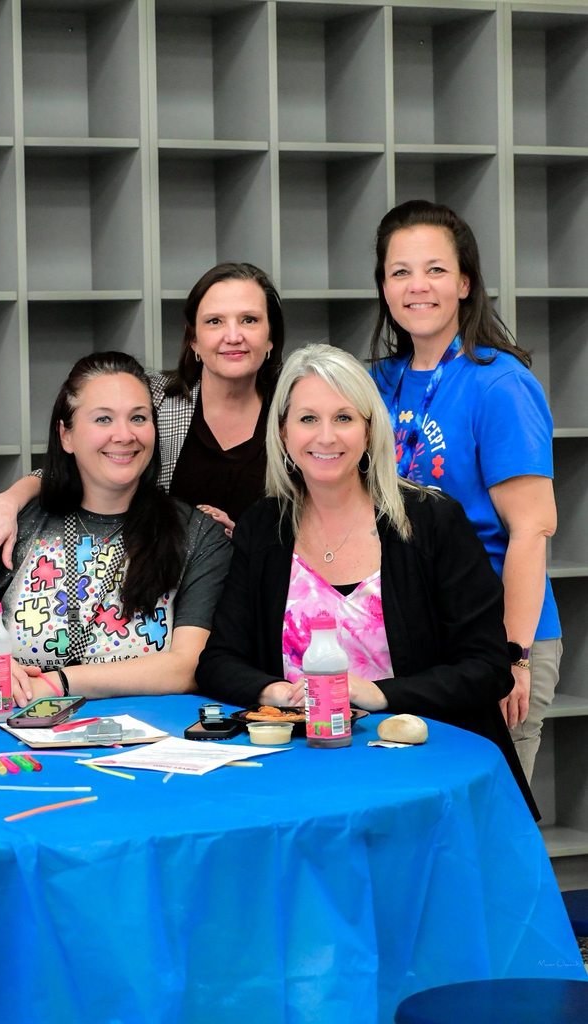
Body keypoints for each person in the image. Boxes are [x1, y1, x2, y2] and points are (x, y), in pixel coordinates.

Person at [195, 343, 537, 817]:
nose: (326, 437)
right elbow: (218, 660)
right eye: (308, 419)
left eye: (344, 417)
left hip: (424, 773)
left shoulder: (432, 520)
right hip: (297, 774)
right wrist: (274, 692)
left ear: (370, 428)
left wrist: (380, 694)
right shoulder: (263, 526)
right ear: (283, 432)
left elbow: (486, 666)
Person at [369, 199, 560, 783]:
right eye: (400, 271)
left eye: (435, 269)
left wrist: (513, 658)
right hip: (412, 640)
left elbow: (532, 528)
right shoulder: (377, 382)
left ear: (465, 282)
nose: (416, 286)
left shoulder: (500, 383)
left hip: (494, 640)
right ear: (383, 285)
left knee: (490, 831)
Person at [0, 262, 285, 565]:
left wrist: (246, 535)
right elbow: (71, 468)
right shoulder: (151, 400)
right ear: (194, 341)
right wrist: (7, 500)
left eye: (249, 320)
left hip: (261, 592)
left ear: (271, 337)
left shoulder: (294, 414)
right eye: (215, 321)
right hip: (160, 589)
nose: (233, 335)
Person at [0, 351, 231, 705]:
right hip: (19, 734)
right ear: (67, 435)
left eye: (138, 417)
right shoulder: (15, 525)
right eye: (103, 419)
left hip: (148, 743)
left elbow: (187, 667)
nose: (124, 435)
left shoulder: (197, 535)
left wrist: (57, 683)